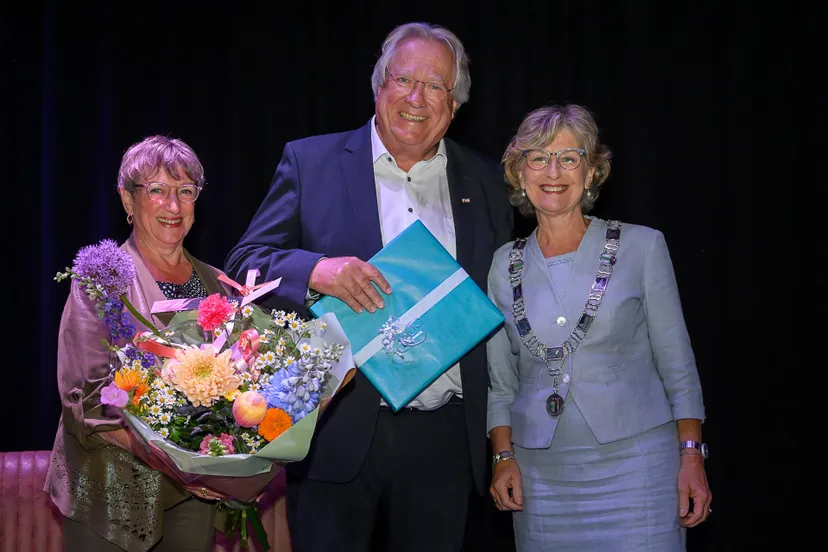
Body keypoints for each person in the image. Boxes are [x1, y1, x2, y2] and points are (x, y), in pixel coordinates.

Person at [224, 22, 513, 552]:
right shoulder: (311, 163)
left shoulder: (487, 183)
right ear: (378, 86)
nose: (416, 98)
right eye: (404, 79)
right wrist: (317, 271)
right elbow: (244, 263)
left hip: (445, 440)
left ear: (455, 104)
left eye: (435, 86)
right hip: (336, 429)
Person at [487, 104, 711, 551]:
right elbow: (500, 385)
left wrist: (692, 455)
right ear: (520, 172)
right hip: (540, 479)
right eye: (538, 157)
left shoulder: (642, 246)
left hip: (638, 469)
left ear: (591, 173)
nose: (554, 170)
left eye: (570, 158)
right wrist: (502, 457)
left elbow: (678, 365)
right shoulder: (500, 265)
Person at [44, 136, 280, 552]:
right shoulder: (101, 280)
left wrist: (235, 456)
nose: (174, 206)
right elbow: (88, 396)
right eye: (157, 190)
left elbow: (245, 383)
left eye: (186, 191)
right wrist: (177, 463)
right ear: (128, 200)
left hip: (194, 497)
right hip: (111, 494)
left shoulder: (216, 283)